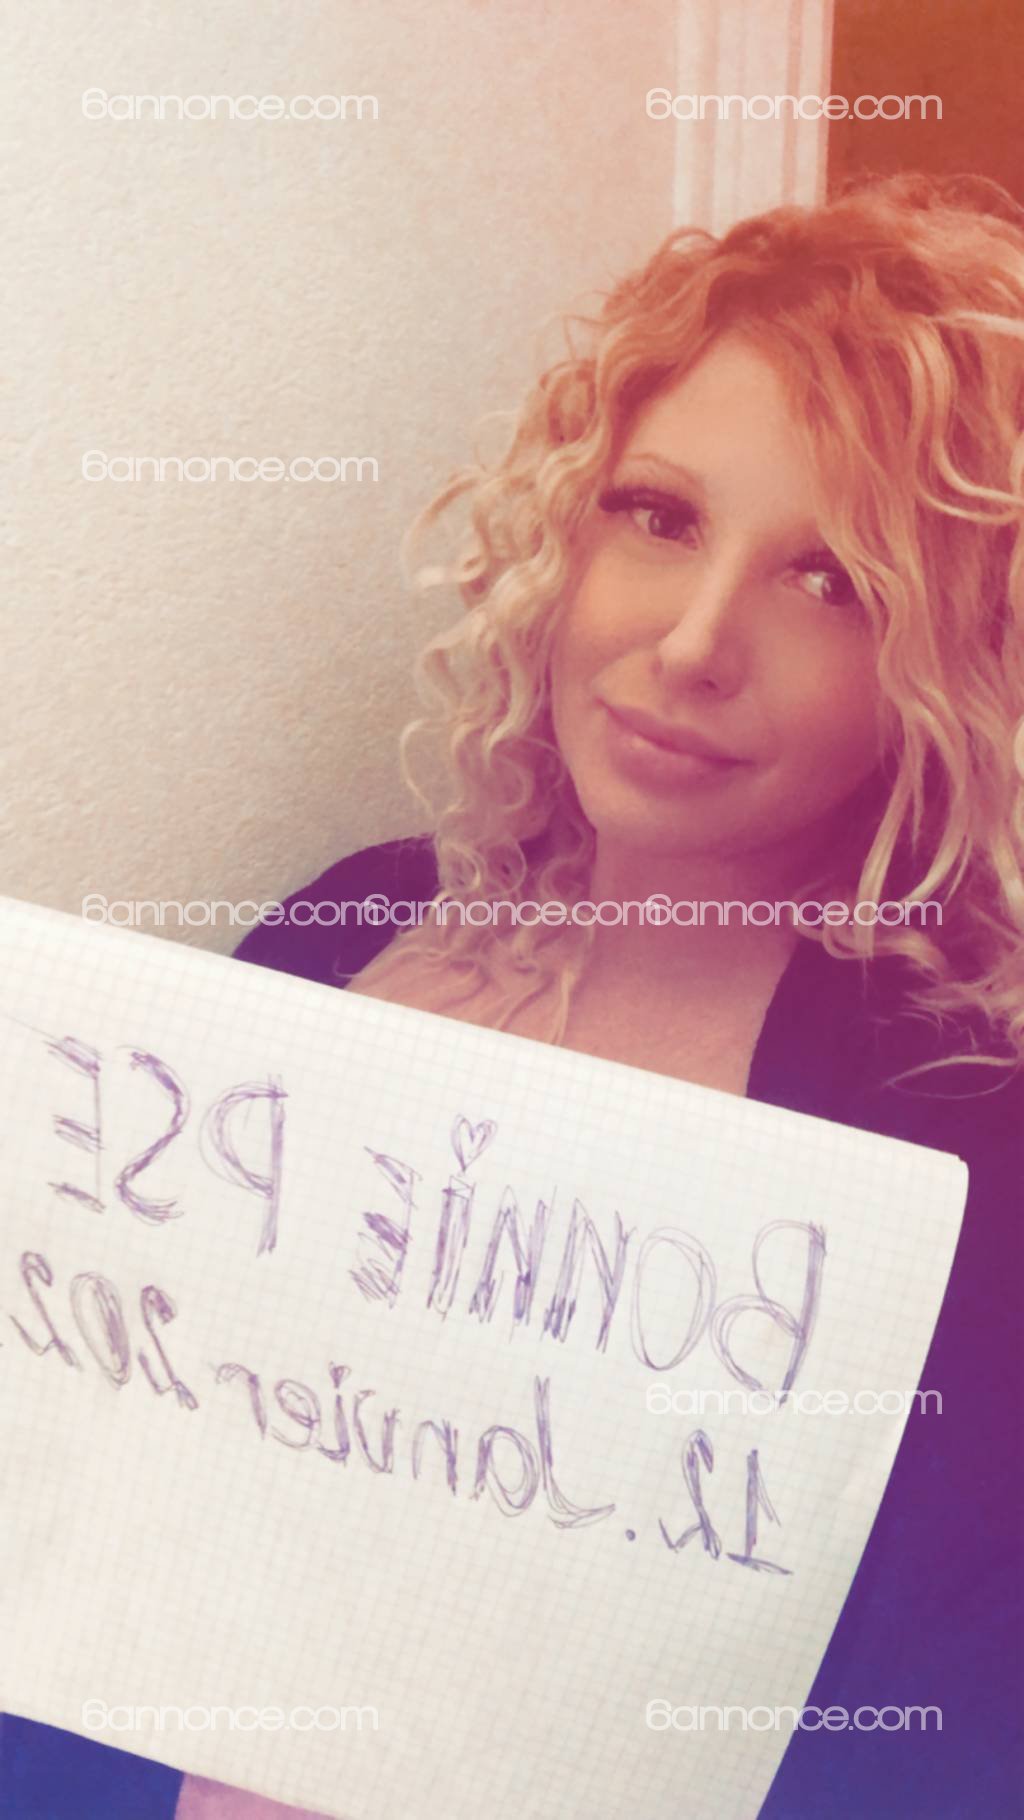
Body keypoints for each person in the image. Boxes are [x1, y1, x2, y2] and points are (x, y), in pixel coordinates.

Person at [4, 171, 1022, 1818]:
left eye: (832, 581)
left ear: (948, 670)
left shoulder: (961, 1153)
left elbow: (945, 1745)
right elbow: (108, 1500)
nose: (692, 642)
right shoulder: (348, 924)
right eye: (660, 517)